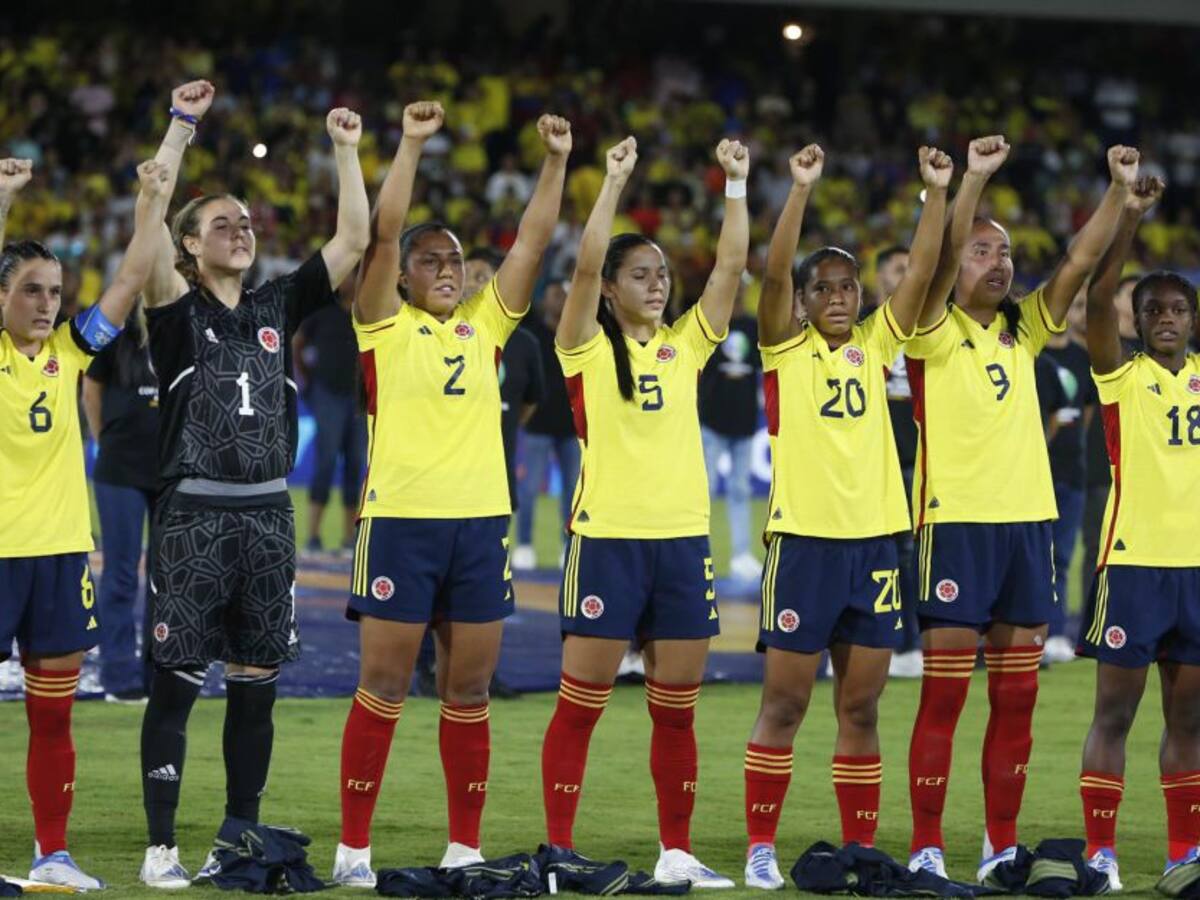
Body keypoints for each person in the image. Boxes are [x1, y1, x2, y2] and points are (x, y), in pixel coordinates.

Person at [135, 81, 369, 888]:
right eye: (220, 224)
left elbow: (355, 237)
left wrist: (346, 150)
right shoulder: (174, 309)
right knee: (174, 685)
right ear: (189, 248)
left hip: (270, 519)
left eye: (246, 221)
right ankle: (161, 844)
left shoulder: (277, 302)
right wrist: (180, 130)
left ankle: (237, 832)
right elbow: (153, 203)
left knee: (256, 688)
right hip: (194, 517)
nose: (241, 231)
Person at [334, 101, 569, 886]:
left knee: (467, 691)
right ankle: (355, 848)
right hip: (400, 522)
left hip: (478, 527)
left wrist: (556, 162)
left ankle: (463, 844)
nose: (444, 268)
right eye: (428, 259)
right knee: (386, 687)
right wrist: (408, 144)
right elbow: (380, 231)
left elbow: (533, 241)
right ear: (401, 275)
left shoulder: (488, 326)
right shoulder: (380, 323)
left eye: (455, 260)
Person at [904, 138, 1140, 883]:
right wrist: (969, 181)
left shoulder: (1024, 329)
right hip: (954, 528)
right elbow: (938, 261)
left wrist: (1117, 192)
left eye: (1003, 253)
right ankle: (927, 844)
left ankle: (998, 841)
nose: (997, 262)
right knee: (943, 699)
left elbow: (1075, 265)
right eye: (981, 251)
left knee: (1017, 699)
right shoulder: (929, 330)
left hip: (1026, 529)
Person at [539, 134, 749, 888]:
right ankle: (559, 851)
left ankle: (676, 852)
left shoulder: (686, 346)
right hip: (607, 543)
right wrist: (613, 182)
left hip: (682, 544)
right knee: (581, 705)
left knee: (678, 710)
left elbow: (729, 267)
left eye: (662, 274)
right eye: (641, 274)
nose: (657, 284)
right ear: (610, 288)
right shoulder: (585, 347)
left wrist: (734, 184)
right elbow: (584, 264)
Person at [742, 144, 951, 889]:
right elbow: (770, 273)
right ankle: (760, 845)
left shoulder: (876, 344)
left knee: (860, 708)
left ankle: (861, 849)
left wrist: (934, 195)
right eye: (821, 288)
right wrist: (798, 191)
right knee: (787, 704)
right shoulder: (783, 351)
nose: (837, 297)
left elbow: (922, 273)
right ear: (800, 303)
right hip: (804, 547)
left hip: (875, 550)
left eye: (847, 286)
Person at [0, 153, 172, 890]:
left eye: (55, 292)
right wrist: (4, 197)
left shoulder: (70, 353)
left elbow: (132, 277)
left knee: (53, 719)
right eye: (31, 290)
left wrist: (159, 180)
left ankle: (53, 856)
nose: (47, 304)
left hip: (63, 555)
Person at [1077, 175, 1200, 892]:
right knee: (1113, 715)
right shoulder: (1120, 378)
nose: (1164, 318)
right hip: (1131, 568)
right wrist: (1129, 215)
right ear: (1137, 318)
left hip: (1195, 572)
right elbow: (1096, 298)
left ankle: (1185, 851)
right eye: (1152, 308)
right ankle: (1102, 851)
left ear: (1191, 319)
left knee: (1189, 724)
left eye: (1178, 309)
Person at [82, 297, 160, 699]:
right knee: (121, 575)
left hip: (172, 471)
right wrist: (105, 443)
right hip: (120, 470)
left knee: (167, 580)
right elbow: (91, 390)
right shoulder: (113, 330)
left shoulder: (185, 322)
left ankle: (159, 672)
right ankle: (119, 674)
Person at [872, 245, 924, 679]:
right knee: (872, 552)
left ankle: (909, 642)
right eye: (898, 269)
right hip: (871, 462)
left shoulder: (929, 327)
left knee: (910, 554)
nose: (906, 274)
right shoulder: (864, 329)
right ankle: (874, 640)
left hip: (917, 458)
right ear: (879, 280)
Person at [1040, 290, 1095, 663]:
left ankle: (1057, 633)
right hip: (1035, 475)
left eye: (1074, 305)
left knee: (1063, 555)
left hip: (1072, 471)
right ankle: (1038, 632)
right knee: (1037, 559)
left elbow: (1086, 414)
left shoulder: (1083, 357)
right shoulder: (1028, 356)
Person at [293, 283, 366, 556]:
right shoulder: (323, 311)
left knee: (356, 465)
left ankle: (350, 539)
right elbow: (298, 342)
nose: (354, 278)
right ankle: (313, 537)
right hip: (328, 395)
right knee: (325, 463)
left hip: (360, 398)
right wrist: (308, 383)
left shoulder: (370, 309)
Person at [513, 278, 580, 571]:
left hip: (571, 426)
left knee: (573, 493)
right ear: (543, 301)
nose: (561, 300)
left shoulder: (577, 333)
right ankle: (525, 545)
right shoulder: (533, 334)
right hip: (538, 426)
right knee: (528, 490)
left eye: (565, 295)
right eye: (555, 294)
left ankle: (568, 548)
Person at [1081, 273, 1140, 594]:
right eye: (1128, 296)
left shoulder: (1167, 354)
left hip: (1146, 475)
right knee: (1098, 548)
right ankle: (1094, 621)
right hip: (1102, 469)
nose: (1134, 306)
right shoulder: (1102, 350)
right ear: (1113, 302)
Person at [698, 283, 762, 584]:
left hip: (745, 423)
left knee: (740, 491)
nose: (735, 296)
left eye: (739, 291)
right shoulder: (711, 326)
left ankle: (741, 554)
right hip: (712, 421)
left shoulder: (752, 327)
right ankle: (699, 554)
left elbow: (764, 369)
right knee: (703, 491)